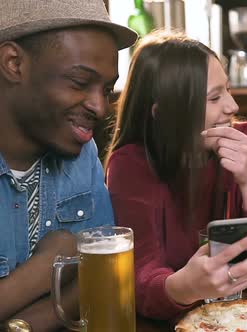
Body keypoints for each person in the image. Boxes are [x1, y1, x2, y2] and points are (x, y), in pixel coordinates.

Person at [106, 31, 247, 321]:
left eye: (228, 90)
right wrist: (185, 286)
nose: (233, 107)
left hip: (244, 320)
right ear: (163, 113)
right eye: (215, 97)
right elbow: (140, 281)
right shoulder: (130, 165)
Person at [0, 0, 136, 330]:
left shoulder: (81, 148)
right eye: (79, 82)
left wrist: (19, 324)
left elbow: (96, 279)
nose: (100, 107)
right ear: (14, 63)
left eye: (106, 89)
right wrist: (45, 268)